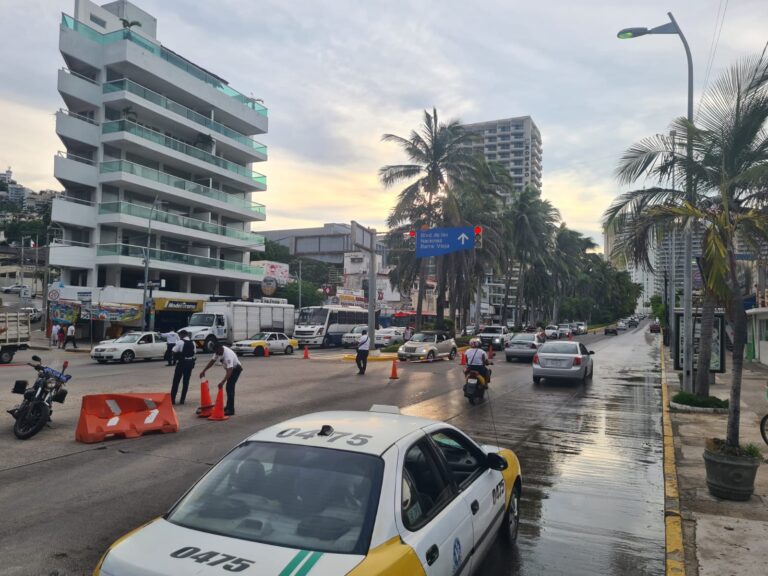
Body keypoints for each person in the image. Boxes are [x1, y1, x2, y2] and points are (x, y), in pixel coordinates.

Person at [199, 343, 242, 416]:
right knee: (229, 388)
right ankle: (228, 407)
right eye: (215, 352)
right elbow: (212, 361)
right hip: (230, 370)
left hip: (235, 370)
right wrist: (204, 371)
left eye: (217, 352)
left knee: (229, 388)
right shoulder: (218, 351)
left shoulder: (228, 355)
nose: (216, 354)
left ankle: (231, 410)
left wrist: (222, 382)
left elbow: (230, 370)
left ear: (221, 349)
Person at [170, 330, 195, 405]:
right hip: (190, 363)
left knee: (176, 381)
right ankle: (182, 400)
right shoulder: (192, 342)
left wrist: (178, 355)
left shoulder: (180, 342)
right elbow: (194, 352)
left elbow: (174, 351)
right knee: (186, 382)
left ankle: (172, 399)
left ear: (182, 335)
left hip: (181, 363)